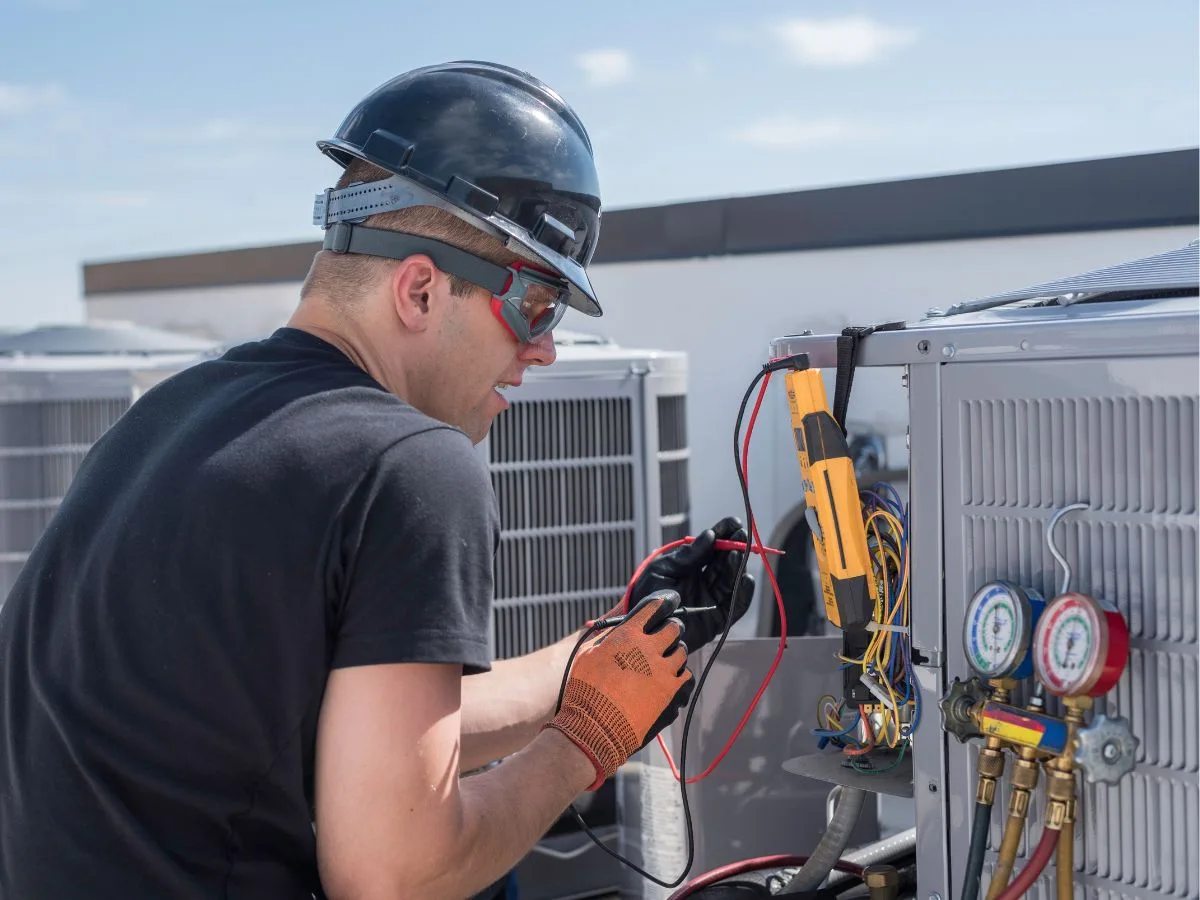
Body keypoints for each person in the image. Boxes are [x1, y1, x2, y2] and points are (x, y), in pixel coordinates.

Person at [0, 60, 754, 900]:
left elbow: (358, 739)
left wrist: (611, 649)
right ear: (421, 289)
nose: (544, 350)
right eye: (536, 309)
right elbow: (396, 873)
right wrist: (587, 739)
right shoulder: (410, 465)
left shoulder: (169, 420)